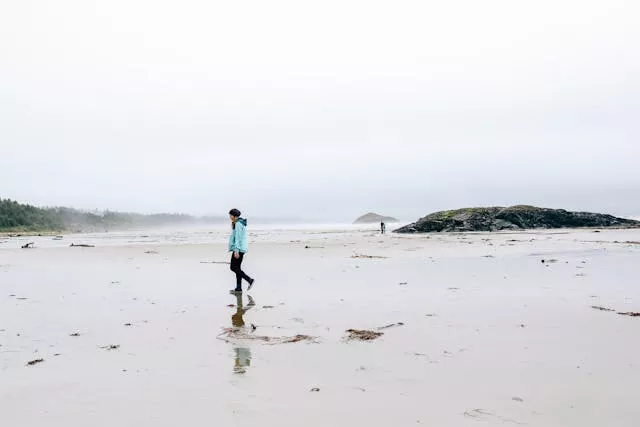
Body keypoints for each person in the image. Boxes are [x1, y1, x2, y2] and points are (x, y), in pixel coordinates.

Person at [228, 208, 255, 293]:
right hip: (240, 248)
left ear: (235, 216)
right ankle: (238, 288)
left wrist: (236, 250)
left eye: (231, 215)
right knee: (237, 268)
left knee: (233, 267)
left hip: (238, 249)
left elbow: (238, 238)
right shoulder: (237, 223)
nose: (230, 217)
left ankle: (249, 280)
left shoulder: (238, 224)